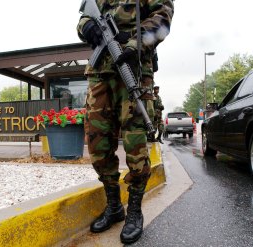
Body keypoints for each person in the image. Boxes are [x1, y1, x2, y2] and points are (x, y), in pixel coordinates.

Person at [77, 0, 174, 244]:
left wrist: (135, 44)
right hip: (100, 73)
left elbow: (163, 16)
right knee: (97, 144)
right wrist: (87, 27)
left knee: (135, 143)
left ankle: (133, 212)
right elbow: (82, 19)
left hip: (135, 68)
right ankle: (114, 206)